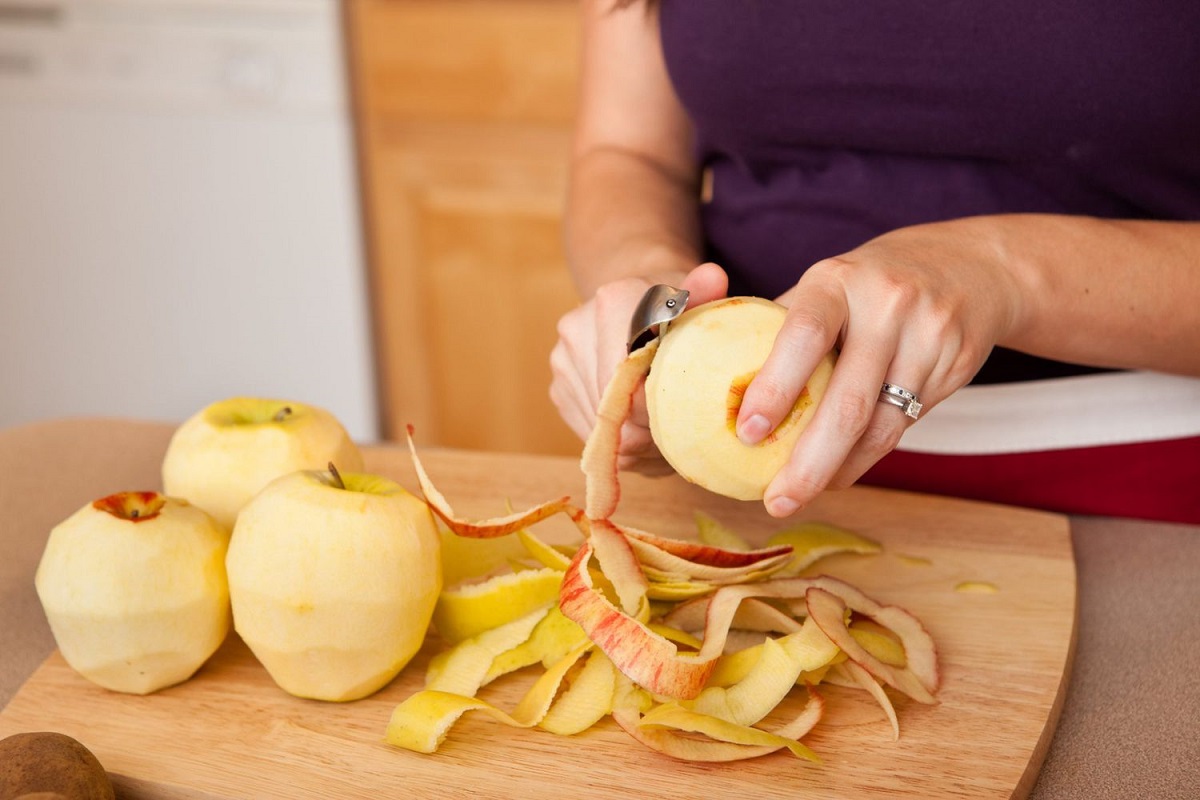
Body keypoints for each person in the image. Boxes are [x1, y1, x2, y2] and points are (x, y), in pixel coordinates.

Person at [548, 0, 1200, 525]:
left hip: (1135, 503)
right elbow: (628, 153)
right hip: (743, 505)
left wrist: (1007, 272)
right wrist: (651, 309)